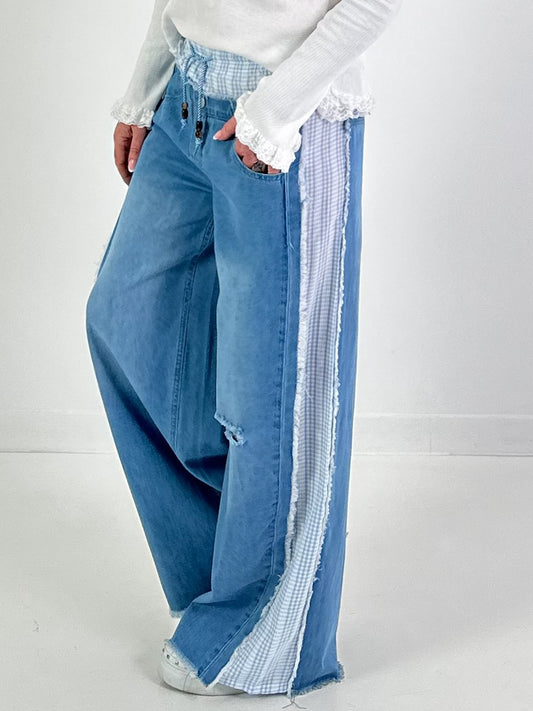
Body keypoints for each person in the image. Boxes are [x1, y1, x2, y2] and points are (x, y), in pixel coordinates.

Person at [85, 0, 402, 701]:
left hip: (287, 115)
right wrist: (144, 89)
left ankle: (259, 634)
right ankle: (231, 565)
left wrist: (274, 112)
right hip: (186, 99)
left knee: (275, 392)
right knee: (124, 320)